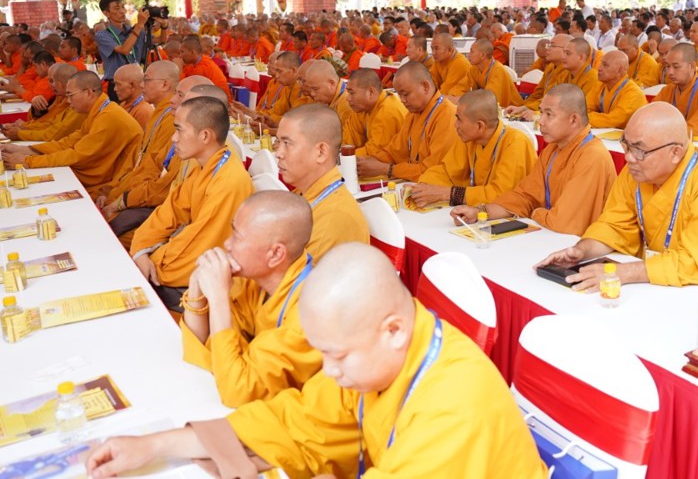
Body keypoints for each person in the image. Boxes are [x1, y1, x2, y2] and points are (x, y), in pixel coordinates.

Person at [86, 243, 548, 479]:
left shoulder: (454, 406)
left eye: (336, 355)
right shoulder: (380, 354)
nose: (328, 371)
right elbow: (299, 421)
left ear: (392, 329)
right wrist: (156, 444)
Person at [537, 103, 698, 302]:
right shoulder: (636, 172)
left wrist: (624, 272)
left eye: (639, 150)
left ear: (675, 152)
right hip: (665, 281)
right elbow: (614, 226)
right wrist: (582, 251)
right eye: (626, 145)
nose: (628, 157)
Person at [181, 191, 322, 407]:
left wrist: (218, 298)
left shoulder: (310, 314)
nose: (227, 244)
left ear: (275, 254)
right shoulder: (256, 281)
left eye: (237, 237)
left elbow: (237, 391)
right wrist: (196, 285)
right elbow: (207, 343)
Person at [130, 96, 253, 314]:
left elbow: (201, 246)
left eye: (179, 130)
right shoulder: (204, 167)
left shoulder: (228, 182)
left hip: (205, 286)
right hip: (181, 265)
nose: (173, 138)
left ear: (205, 135)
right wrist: (140, 250)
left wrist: (153, 264)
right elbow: (169, 212)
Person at [451, 84, 615, 235]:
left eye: (549, 114)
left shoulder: (593, 157)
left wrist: (535, 212)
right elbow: (524, 196)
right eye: (540, 112)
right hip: (550, 233)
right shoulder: (552, 150)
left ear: (573, 119)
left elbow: (563, 223)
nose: (540, 121)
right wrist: (480, 212)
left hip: (579, 245)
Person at [2, 71, 142, 194]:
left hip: (115, 185)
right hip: (104, 175)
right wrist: (24, 150)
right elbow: (68, 142)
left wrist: (27, 161)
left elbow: (77, 155)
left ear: (88, 93)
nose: (68, 101)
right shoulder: (99, 111)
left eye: (70, 95)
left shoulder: (108, 116)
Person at [409, 90, 537, 209]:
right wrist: (422, 186)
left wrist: (446, 194)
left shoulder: (515, 143)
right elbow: (447, 172)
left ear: (480, 126)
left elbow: (500, 195)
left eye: (459, 119)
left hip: (510, 214)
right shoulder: (470, 138)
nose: (455, 125)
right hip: (478, 210)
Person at [96, 61, 182, 237]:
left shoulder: (171, 122)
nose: (142, 85)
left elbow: (154, 175)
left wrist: (120, 200)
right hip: (130, 191)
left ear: (165, 85)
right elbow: (137, 161)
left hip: (145, 202)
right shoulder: (158, 114)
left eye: (147, 80)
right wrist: (111, 191)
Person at [274, 104, 370, 256]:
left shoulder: (333, 220)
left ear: (321, 152)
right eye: (278, 142)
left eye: (287, 144)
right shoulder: (304, 194)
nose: (278, 153)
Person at [356, 61, 457, 182]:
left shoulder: (447, 116)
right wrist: (368, 161)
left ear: (425, 86)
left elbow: (432, 171)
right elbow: (394, 152)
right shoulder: (413, 114)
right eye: (399, 95)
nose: (402, 100)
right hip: (415, 182)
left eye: (405, 94)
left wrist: (387, 169)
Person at [652, 43, 698, 147]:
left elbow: (695, 133)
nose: (670, 72)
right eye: (667, 66)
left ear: (691, 66)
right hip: (667, 146)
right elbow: (649, 120)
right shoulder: (666, 91)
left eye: (676, 67)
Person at [0, 63, 84, 142]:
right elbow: (50, 123)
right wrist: (24, 127)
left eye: (52, 81)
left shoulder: (79, 105)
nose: (50, 85)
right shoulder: (61, 97)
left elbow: (55, 133)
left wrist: (20, 133)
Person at [95, 0, 147, 102]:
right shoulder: (103, 35)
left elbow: (160, 41)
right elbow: (124, 50)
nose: (122, 11)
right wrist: (139, 25)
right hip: (118, 85)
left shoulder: (133, 31)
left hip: (136, 84)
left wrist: (164, 25)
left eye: (123, 7)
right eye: (116, 8)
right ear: (106, 13)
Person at [508, 33, 571, 116]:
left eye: (552, 46)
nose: (547, 49)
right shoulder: (550, 67)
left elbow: (555, 101)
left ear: (566, 50)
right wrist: (524, 106)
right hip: (541, 108)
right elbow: (537, 94)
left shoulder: (569, 71)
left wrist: (531, 110)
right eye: (548, 45)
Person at [585, 50, 647, 129]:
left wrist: (582, 120)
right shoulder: (600, 85)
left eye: (605, 65)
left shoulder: (633, 92)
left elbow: (614, 120)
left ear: (619, 71)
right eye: (601, 64)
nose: (599, 68)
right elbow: (585, 109)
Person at [466, 37, 521, 107]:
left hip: (512, 109)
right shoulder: (474, 69)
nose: (469, 55)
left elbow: (490, 99)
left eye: (472, 52)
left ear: (483, 55)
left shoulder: (497, 71)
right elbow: (467, 90)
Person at [180, 35, 233, 101]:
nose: (180, 56)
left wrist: (179, 67)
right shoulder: (195, 63)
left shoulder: (204, 66)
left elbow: (185, 87)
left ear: (192, 52)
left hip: (220, 102)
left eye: (182, 52)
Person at [300, 59, 350, 128]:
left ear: (331, 83)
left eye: (315, 89)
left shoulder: (347, 101)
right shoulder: (324, 99)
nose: (312, 94)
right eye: (311, 89)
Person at [429, 32, 472, 100]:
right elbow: (432, 81)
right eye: (432, 49)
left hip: (463, 100)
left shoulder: (459, 63)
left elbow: (446, 90)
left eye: (437, 49)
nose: (433, 53)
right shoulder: (439, 61)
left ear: (450, 50)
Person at [112, 63, 153, 129]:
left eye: (118, 84)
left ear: (132, 86)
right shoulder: (123, 104)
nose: (115, 89)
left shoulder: (143, 111)